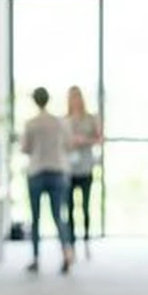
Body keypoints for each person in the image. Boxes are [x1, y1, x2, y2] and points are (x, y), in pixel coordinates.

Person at [20, 87, 73, 273]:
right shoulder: (60, 122)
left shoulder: (31, 123)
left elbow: (25, 148)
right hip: (58, 171)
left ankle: (35, 259)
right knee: (59, 216)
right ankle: (67, 253)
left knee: (35, 218)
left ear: (35, 101)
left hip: (37, 171)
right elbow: (68, 144)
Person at [65, 86, 103, 259]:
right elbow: (60, 143)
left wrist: (84, 140)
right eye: (72, 98)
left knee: (85, 207)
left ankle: (86, 240)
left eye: (77, 97)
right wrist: (70, 142)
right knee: (70, 208)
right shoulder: (64, 120)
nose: (75, 101)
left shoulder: (91, 118)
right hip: (69, 170)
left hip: (86, 168)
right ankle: (72, 243)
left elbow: (100, 139)